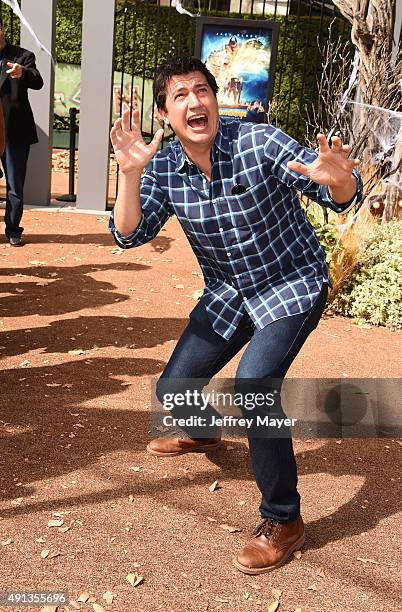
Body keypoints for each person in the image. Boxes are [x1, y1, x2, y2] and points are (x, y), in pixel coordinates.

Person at [109, 56, 362, 575]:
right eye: (179, 95)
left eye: (201, 90)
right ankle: (203, 430)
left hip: (292, 283)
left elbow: (333, 192)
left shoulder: (259, 142)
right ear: (165, 114)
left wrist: (339, 183)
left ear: (215, 98)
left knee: (254, 385)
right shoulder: (163, 170)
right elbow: (129, 234)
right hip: (229, 293)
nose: (194, 101)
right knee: (174, 390)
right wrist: (130, 175)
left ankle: (283, 520)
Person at [0, 17, 43, 246]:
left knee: (15, 186)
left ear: (2, 30)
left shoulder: (22, 56)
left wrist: (22, 73)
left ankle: (13, 229)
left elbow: (38, 81)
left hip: (15, 132)